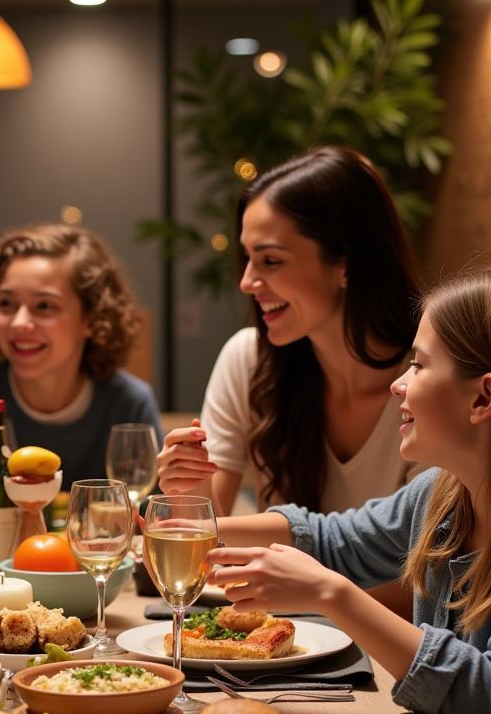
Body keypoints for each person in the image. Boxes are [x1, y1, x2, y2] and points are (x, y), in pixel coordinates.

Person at [207, 264, 491, 714]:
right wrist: (200, 529)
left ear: (483, 397)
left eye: (419, 365)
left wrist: (330, 593)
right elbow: (333, 538)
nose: (398, 383)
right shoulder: (442, 496)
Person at [157, 146, 422, 517]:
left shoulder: (428, 384)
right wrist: (189, 489)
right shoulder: (249, 361)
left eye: (271, 260)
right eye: (247, 258)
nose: (247, 282)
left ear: (346, 263)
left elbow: (427, 564)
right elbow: (205, 552)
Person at [0, 224, 163, 516]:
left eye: (44, 306)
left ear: (92, 318)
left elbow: (156, 508)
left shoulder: (128, 401)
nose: (20, 322)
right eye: (6, 303)